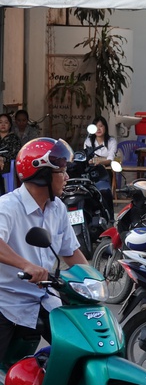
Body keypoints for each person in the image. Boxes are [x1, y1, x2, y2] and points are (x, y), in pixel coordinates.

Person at [0, 137, 88, 362]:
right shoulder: (8, 206)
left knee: (80, 348)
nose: (66, 177)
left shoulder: (57, 207)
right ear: (42, 174)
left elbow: (70, 252)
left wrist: (93, 279)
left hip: (44, 298)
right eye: (61, 171)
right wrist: (26, 265)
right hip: (7, 302)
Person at [0, 114, 22, 195]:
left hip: (8, 167)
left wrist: (3, 158)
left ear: (10, 125)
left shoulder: (14, 138)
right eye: (0, 122)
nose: (3, 124)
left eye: (6, 122)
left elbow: (17, 153)